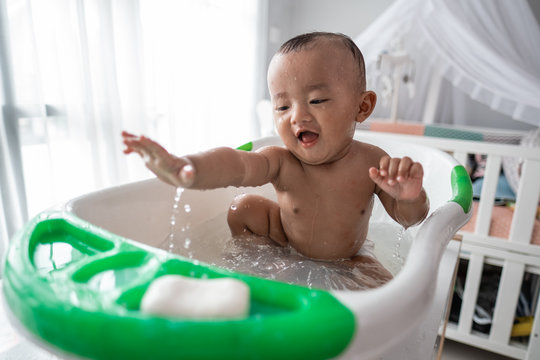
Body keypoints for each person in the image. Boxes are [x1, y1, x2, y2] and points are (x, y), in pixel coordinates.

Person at [122, 32, 429, 288]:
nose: (298, 115)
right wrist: (190, 167)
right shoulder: (282, 161)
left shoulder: (371, 162)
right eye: (282, 106)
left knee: (391, 290)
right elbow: (237, 164)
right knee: (244, 207)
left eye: (317, 100)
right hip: (286, 243)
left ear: (362, 107)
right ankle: (263, 271)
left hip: (348, 257)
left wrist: (409, 197)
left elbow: (409, 219)